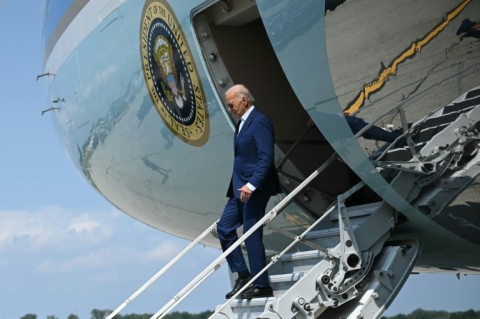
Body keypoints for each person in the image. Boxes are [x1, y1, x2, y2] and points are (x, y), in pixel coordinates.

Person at [217, 84, 281, 299]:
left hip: (255, 188)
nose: (229, 108)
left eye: (231, 104)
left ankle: (262, 285)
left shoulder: (260, 121)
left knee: (251, 234)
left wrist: (252, 185)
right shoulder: (242, 124)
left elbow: (265, 157)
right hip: (238, 188)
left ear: (244, 100)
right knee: (224, 228)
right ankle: (243, 275)